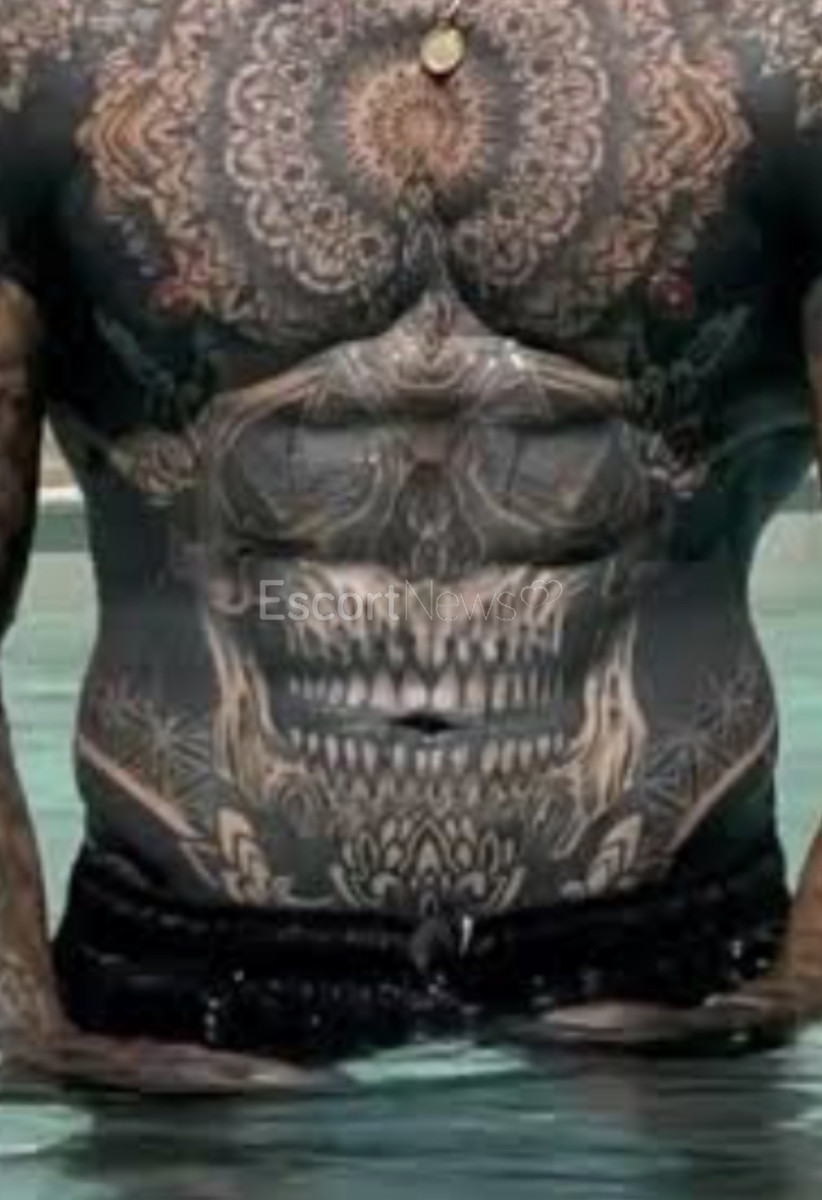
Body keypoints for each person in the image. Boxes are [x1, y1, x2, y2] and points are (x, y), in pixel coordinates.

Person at [2, 0, 822, 1093]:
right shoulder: (62, 54)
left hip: (675, 990)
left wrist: (796, 990)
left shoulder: (774, 56)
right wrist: (25, 1034)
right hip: (181, 1005)